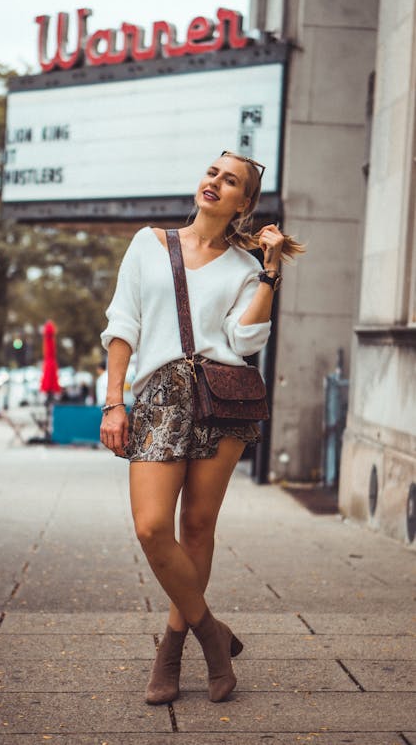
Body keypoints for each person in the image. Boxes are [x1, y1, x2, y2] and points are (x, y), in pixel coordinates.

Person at [100, 150, 304, 705]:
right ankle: (212, 636)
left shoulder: (244, 267)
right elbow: (124, 323)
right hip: (161, 397)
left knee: (196, 526)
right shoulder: (149, 243)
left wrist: (270, 269)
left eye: (230, 180)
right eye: (213, 172)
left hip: (222, 401)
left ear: (244, 202)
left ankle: (170, 648)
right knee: (149, 527)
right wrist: (113, 403)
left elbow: (244, 343)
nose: (215, 182)